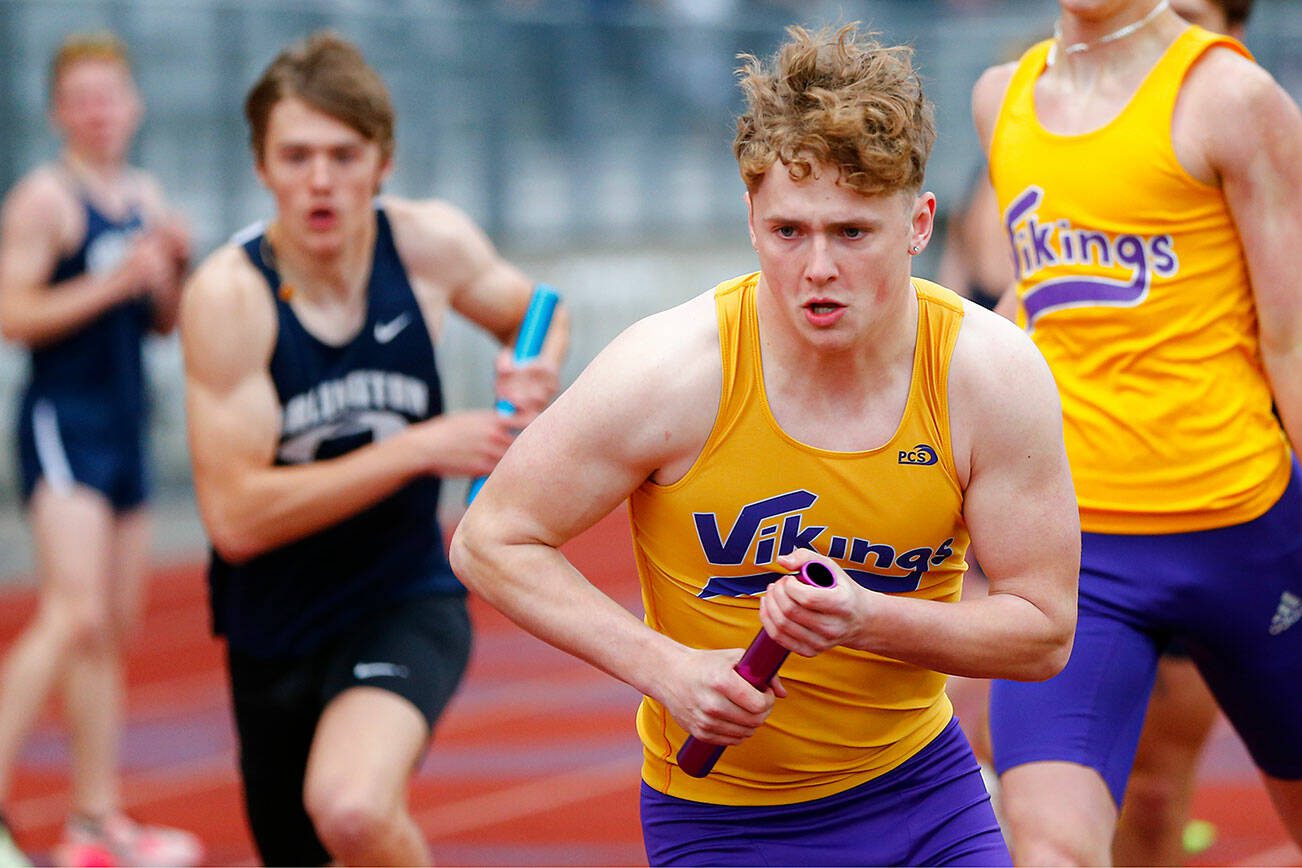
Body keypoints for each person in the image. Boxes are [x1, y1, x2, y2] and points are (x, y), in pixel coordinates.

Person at [451, 23, 1079, 867]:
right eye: (789, 231)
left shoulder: (988, 374)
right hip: (722, 821)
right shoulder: (670, 372)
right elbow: (493, 538)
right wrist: (666, 668)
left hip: (920, 796)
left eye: (852, 233)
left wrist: (864, 618)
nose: (817, 266)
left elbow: (1042, 630)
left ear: (920, 222)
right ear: (750, 217)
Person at [178, 30, 567, 867]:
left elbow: (539, 308)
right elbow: (237, 518)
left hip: (402, 596)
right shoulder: (228, 298)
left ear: (383, 159)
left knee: (351, 808)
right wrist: (419, 446)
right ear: (261, 166)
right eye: (297, 156)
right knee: (305, 845)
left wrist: (526, 376)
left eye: (344, 155)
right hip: (271, 626)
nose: (321, 181)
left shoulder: (427, 245)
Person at [971, 0, 1302, 863]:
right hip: (1081, 551)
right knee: (1050, 848)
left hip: (1245, 535)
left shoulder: (1234, 98)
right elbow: (1037, 303)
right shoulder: (999, 99)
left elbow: (1294, 338)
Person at [0, 31, 201, 868]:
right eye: (80, 99)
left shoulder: (146, 196)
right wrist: (111, 282)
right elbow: (14, 314)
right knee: (71, 611)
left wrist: (170, 275)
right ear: (59, 112)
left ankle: (92, 821)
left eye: (109, 97)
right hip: (64, 421)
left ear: (133, 106)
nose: (98, 112)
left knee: (110, 630)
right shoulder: (44, 200)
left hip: (125, 421)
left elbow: (161, 322)